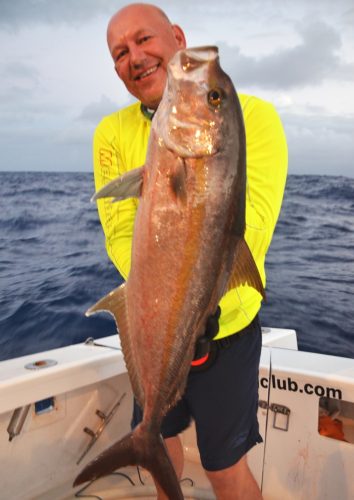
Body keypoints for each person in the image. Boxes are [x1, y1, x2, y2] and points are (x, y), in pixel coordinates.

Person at [92, 3, 288, 499]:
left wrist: (194, 307)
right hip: (151, 327)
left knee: (225, 469)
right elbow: (117, 231)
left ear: (176, 35)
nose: (134, 57)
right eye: (120, 52)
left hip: (228, 331)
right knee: (161, 440)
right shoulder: (110, 134)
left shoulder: (258, 118)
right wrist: (157, 302)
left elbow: (253, 225)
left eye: (143, 40)